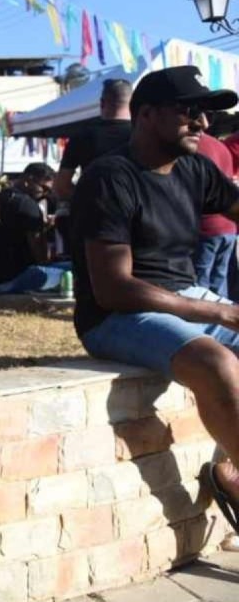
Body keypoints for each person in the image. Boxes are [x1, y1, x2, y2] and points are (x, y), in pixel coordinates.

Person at [68, 66, 239, 551]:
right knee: (218, 363)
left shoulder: (195, 168)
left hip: (184, 297)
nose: (202, 123)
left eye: (205, 112)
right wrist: (220, 313)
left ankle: (228, 470)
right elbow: (114, 289)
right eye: (189, 111)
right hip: (115, 317)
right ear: (145, 115)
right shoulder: (110, 177)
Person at [0, 163, 69, 294]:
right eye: (44, 188)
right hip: (17, 279)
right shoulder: (28, 205)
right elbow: (41, 259)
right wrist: (43, 230)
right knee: (74, 268)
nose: (45, 194)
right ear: (28, 181)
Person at [54, 78, 133, 200]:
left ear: (102, 103)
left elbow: (62, 187)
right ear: (132, 103)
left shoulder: (81, 136)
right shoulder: (144, 134)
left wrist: (88, 200)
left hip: (95, 213)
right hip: (136, 212)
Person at [193, 131, 237, 297]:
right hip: (228, 226)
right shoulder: (220, 146)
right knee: (220, 281)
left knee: (200, 286)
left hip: (206, 227)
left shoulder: (194, 147)